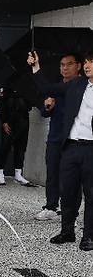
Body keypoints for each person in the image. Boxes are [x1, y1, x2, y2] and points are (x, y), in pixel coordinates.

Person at [28, 51, 93, 251]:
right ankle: (67, 231)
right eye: (87, 62)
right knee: (68, 191)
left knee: (91, 194)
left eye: (92, 62)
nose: (88, 65)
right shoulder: (76, 85)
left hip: (91, 147)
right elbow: (47, 88)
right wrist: (36, 67)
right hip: (71, 146)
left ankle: (89, 236)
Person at [34, 52, 83, 221]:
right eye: (62, 65)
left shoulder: (82, 86)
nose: (65, 68)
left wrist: (36, 68)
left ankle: (69, 210)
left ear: (79, 66)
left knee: (72, 177)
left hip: (75, 140)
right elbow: (44, 112)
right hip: (55, 138)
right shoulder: (55, 88)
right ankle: (51, 206)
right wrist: (48, 106)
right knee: (53, 173)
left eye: (69, 64)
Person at [0, 84, 34, 186]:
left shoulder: (25, 85)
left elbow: (30, 103)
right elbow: (1, 104)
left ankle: (18, 174)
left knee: (21, 148)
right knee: (5, 147)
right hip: (9, 121)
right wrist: (4, 121)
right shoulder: (5, 87)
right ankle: (0, 173)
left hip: (23, 119)